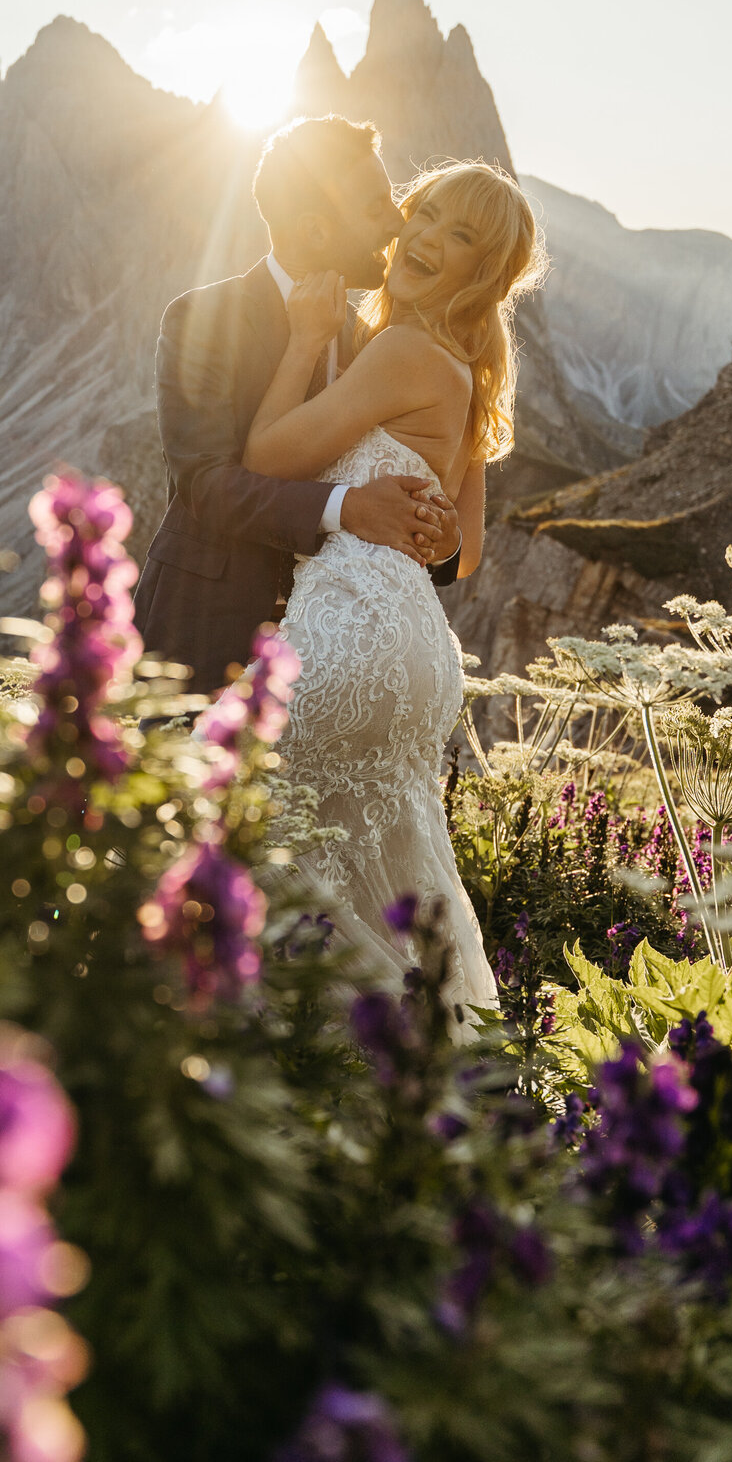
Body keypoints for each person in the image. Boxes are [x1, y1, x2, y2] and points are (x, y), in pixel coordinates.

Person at [238, 159, 546, 1017]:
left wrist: (303, 340)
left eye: (460, 239)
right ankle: (411, 1090)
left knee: (270, 851)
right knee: (381, 876)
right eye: (426, 214)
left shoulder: (404, 350)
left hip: (350, 631)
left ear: (483, 273)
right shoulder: (470, 377)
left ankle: (303, 1087)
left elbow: (267, 458)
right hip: (420, 654)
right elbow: (465, 554)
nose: (425, 240)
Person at [132, 117, 463, 695]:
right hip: (203, 637)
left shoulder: (376, 345)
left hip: (332, 657)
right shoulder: (202, 320)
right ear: (314, 231)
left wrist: (441, 538)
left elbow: (418, 519)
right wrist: (346, 507)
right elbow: (205, 484)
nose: (396, 221)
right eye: (374, 206)